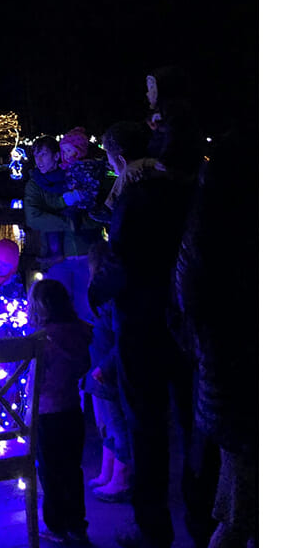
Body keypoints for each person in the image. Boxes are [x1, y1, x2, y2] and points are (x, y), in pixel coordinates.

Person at [100, 120, 214, 548]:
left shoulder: (134, 197)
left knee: (146, 427)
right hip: (185, 324)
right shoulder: (190, 193)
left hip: (141, 326)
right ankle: (201, 519)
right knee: (192, 422)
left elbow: (120, 261)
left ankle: (153, 529)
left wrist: (97, 291)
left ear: (122, 160)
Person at [176, 133, 252, 548]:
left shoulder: (203, 235)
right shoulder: (234, 242)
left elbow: (190, 306)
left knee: (236, 510)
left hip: (223, 388)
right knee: (241, 512)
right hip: (238, 394)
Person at [29, 278, 93, 545]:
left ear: (41, 307)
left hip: (46, 415)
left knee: (50, 472)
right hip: (72, 411)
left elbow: (36, 381)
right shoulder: (80, 332)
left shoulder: (42, 340)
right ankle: (77, 524)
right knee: (72, 469)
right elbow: (83, 367)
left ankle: (55, 525)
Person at [85, 245, 132, 501]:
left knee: (116, 425)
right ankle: (108, 472)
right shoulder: (102, 298)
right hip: (97, 373)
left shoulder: (113, 300)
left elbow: (121, 339)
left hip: (106, 374)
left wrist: (106, 366)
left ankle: (122, 479)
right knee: (105, 425)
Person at [23, 136, 97, 262]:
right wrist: (71, 224)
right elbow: (33, 218)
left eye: (44, 154)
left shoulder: (78, 176)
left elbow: (98, 210)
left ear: (57, 156)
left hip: (88, 253)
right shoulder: (34, 184)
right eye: (36, 155)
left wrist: (54, 218)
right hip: (55, 262)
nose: (39, 160)